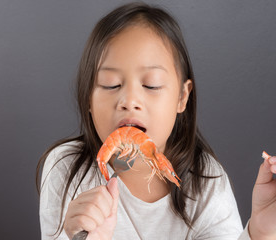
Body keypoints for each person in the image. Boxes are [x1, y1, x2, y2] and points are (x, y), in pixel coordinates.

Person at [36, 2, 276, 240]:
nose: (129, 101)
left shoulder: (206, 178)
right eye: (111, 84)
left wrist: (262, 232)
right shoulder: (67, 168)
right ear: (88, 98)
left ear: (182, 97)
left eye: (151, 84)